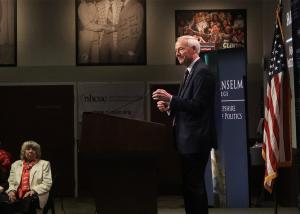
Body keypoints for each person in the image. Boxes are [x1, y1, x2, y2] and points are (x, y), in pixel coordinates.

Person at [152, 35, 215, 214]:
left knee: (194, 188)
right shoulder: (190, 72)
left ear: (194, 49)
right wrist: (169, 107)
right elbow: (187, 104)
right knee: (190, 188)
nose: (177, 53)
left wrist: (171, 98)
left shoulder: (202, 72)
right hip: (187, 141)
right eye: (175, 50)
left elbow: (199, 106)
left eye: (180, 49)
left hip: (195, 141)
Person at [4, 140, 52, 214]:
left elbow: (47, 183)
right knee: (4, 201)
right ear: (24, 152)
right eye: (28, 149)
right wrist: (12, 191)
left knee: (28, 201)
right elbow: (11, 181)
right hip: (18, 192)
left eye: (33, 149)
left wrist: (33, 191)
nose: (31, 151)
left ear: (37, 152)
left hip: (37, 194)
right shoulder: (16, 164)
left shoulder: (44, 164)